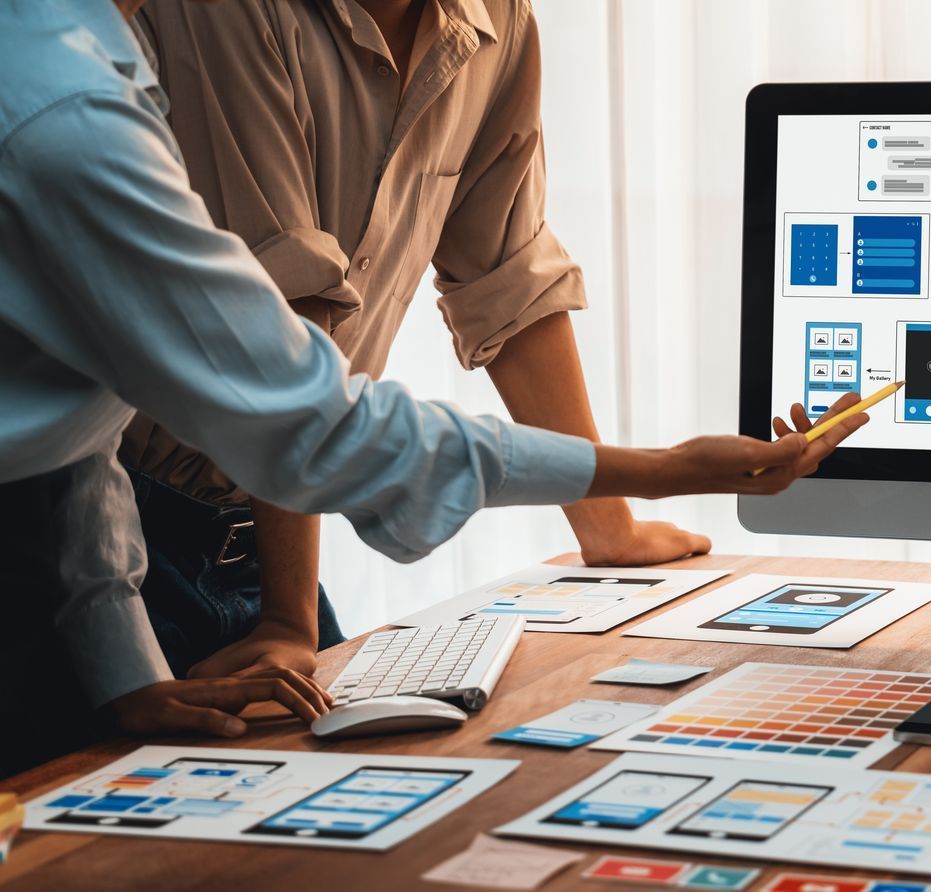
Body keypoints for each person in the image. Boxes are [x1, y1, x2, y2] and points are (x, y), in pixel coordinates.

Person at [0, 0, 865, 776]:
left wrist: (125, 668)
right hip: (146, 535)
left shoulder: (91, 62)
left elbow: (72, 412)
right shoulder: (73, 104)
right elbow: (303, 408)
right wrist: (664, 468)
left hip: (135, 553)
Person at [113, 0, 706, 684]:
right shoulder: (228, 12)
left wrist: (609, 528)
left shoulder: (497, 23)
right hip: (111, 544)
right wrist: (289, 621)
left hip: (260, 540)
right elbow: (281, 319)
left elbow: (507, 277)